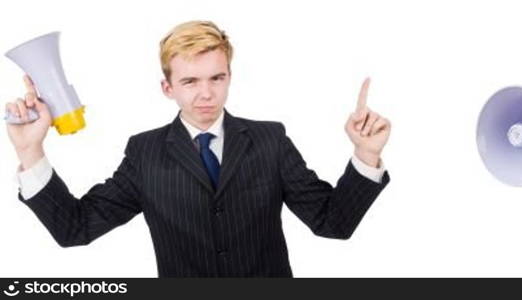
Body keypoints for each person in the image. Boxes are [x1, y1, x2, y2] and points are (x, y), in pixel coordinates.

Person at [5, 21, 392, 277]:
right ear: (167, 88)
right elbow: (76, 228)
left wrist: (366, 155)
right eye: (190, 81)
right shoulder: (145, 153)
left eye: (216, 78)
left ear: (229, 78)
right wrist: (30, 153)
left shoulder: (270, 140)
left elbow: (333, 224)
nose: (206, 93)